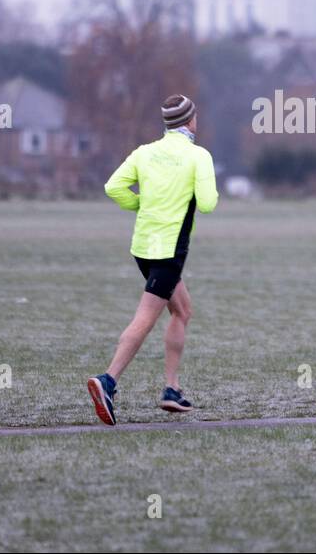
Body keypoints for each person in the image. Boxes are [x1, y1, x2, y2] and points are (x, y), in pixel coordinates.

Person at [87, 94, 218, 425]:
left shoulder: (144, 152)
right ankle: (108, 381)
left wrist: (142, 205)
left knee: (183, 310)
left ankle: (171, 389)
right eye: (196, 117)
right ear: (190, 121)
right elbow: (207, 203)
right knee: (146, 318)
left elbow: (113, 187)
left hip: (142, 247)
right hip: (169, 250)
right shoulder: (198, 156)